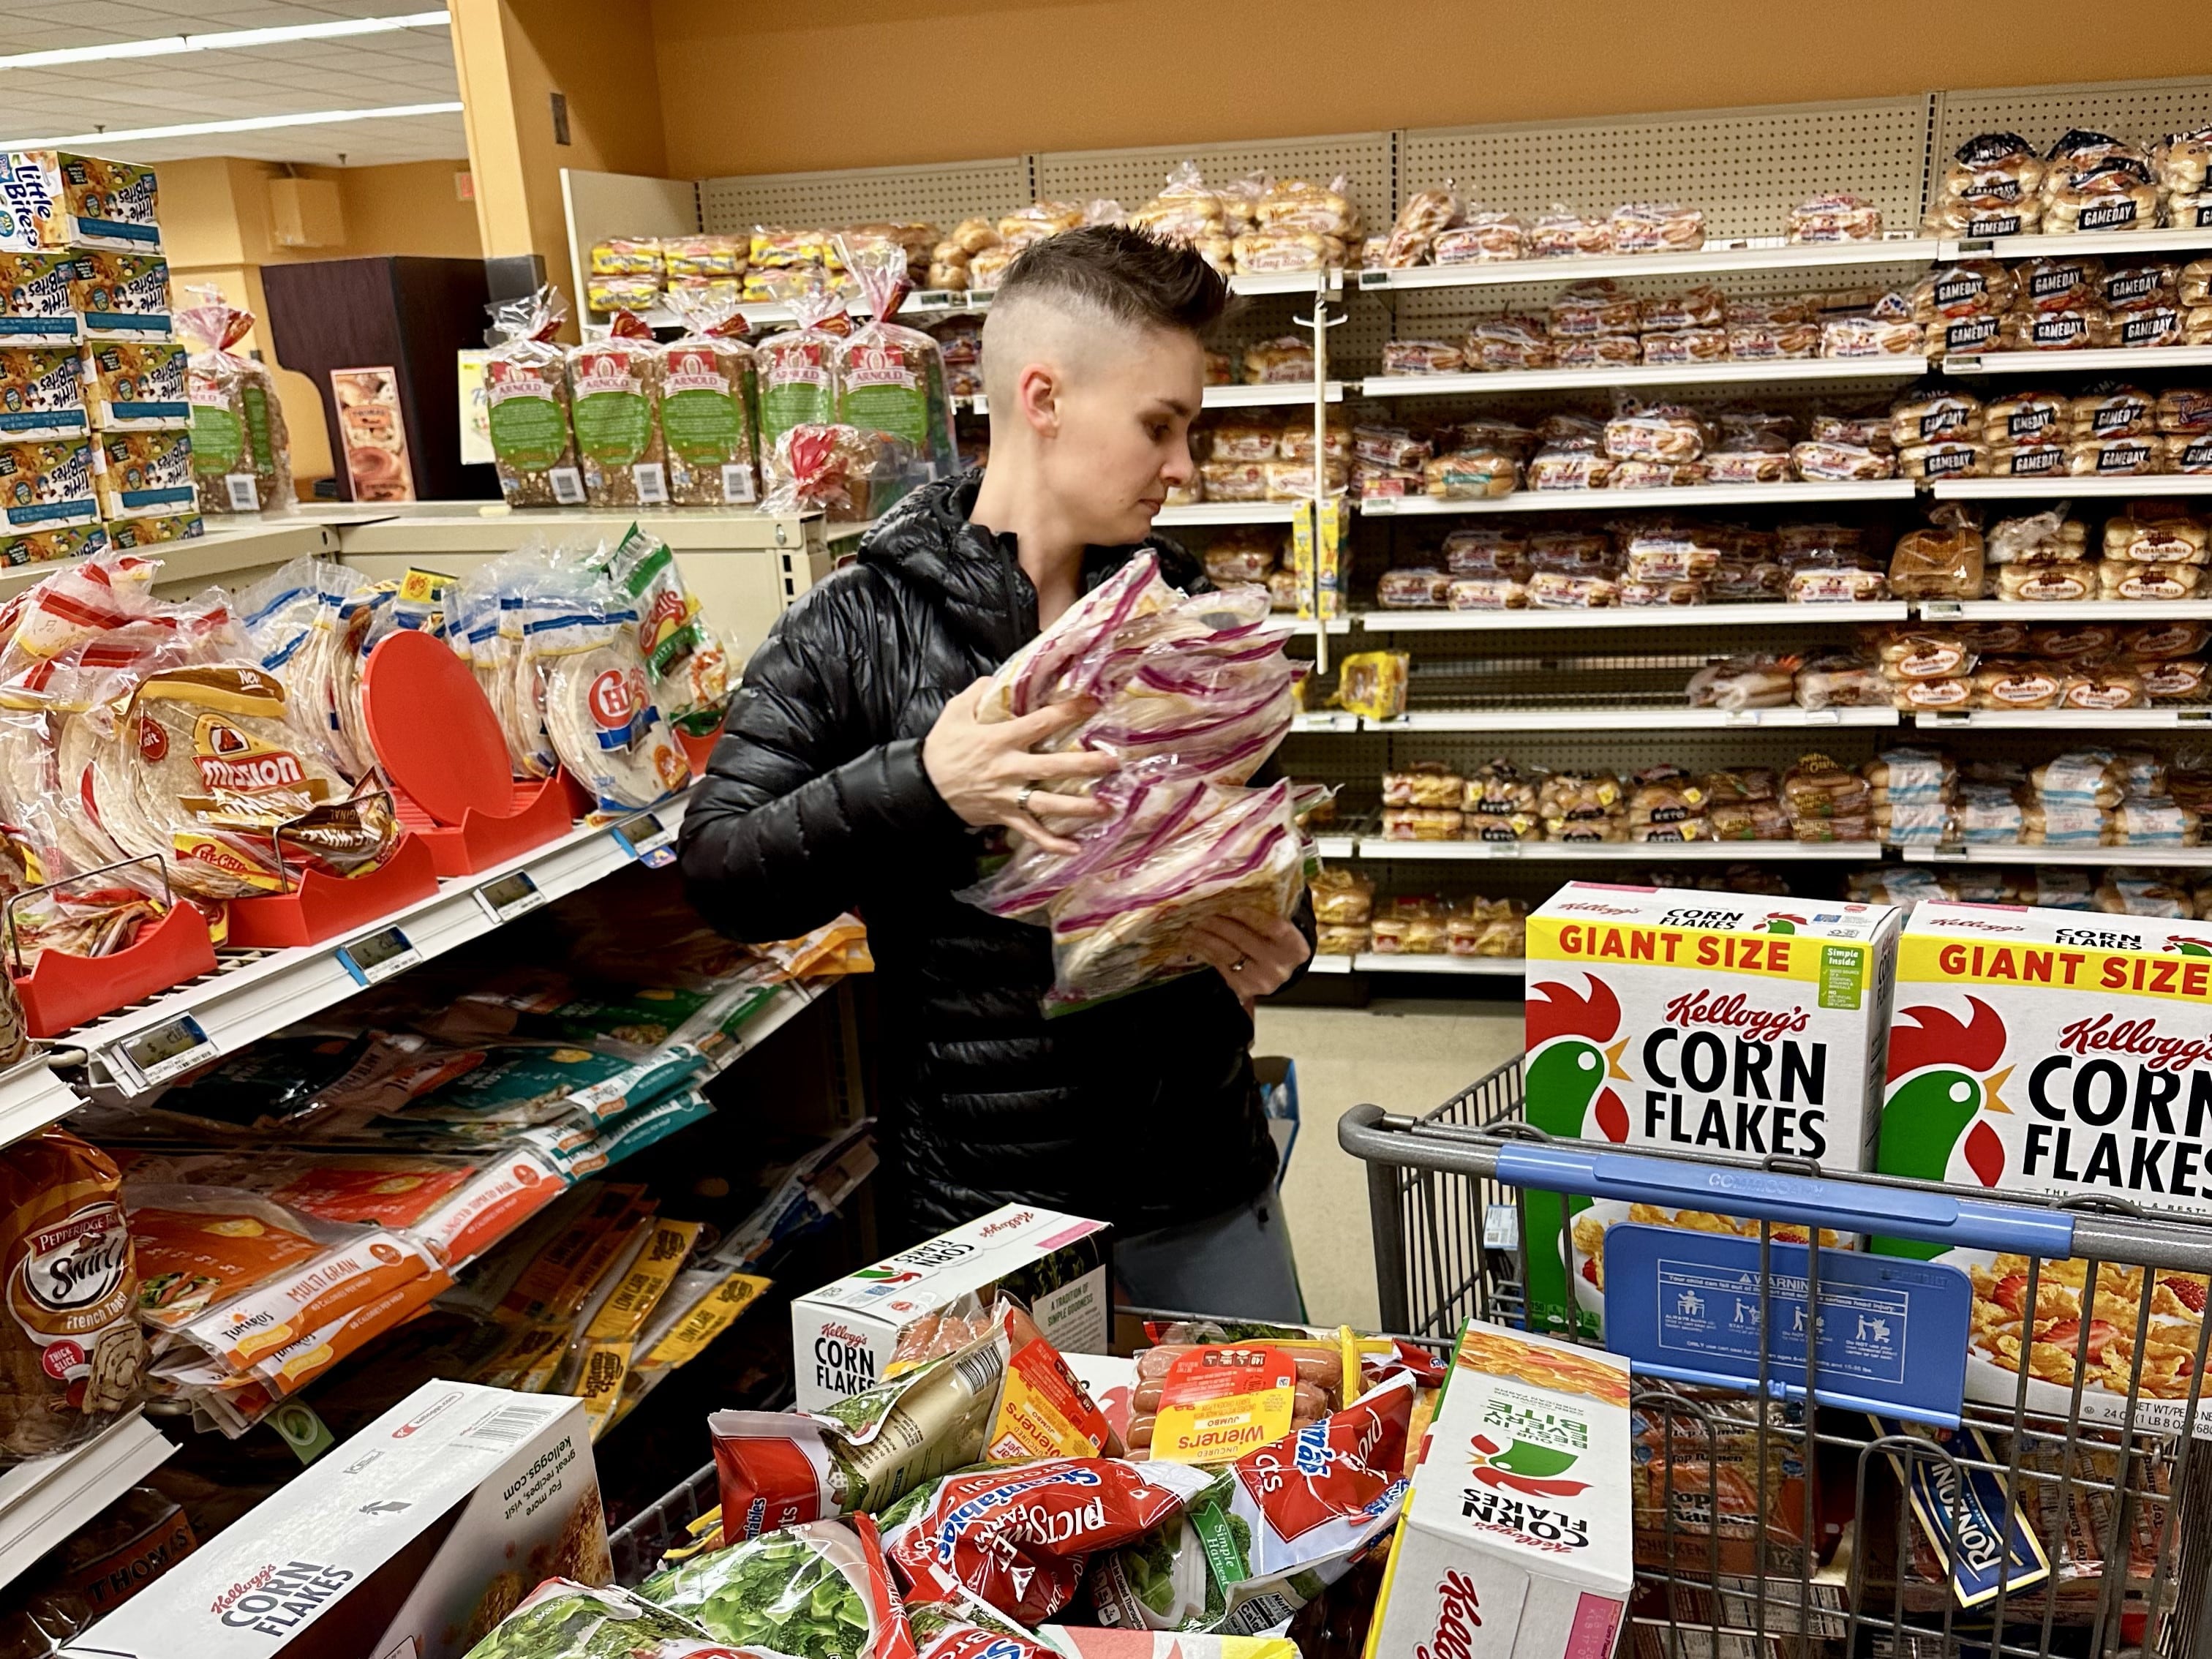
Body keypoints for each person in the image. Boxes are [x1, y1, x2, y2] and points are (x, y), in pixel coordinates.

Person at [680, 226, 1312, 1317]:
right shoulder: (857, 624)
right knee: (1031, 1495)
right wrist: (925, 783)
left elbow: (1271, 853)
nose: (1185, 469)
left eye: (1190, 432)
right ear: (1044, 397)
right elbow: (724, 871)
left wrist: (1288, 946)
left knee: (1261, 1477)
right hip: (994, 1215)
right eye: (1160, 426)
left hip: (1202, 1177)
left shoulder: (1189, 612)